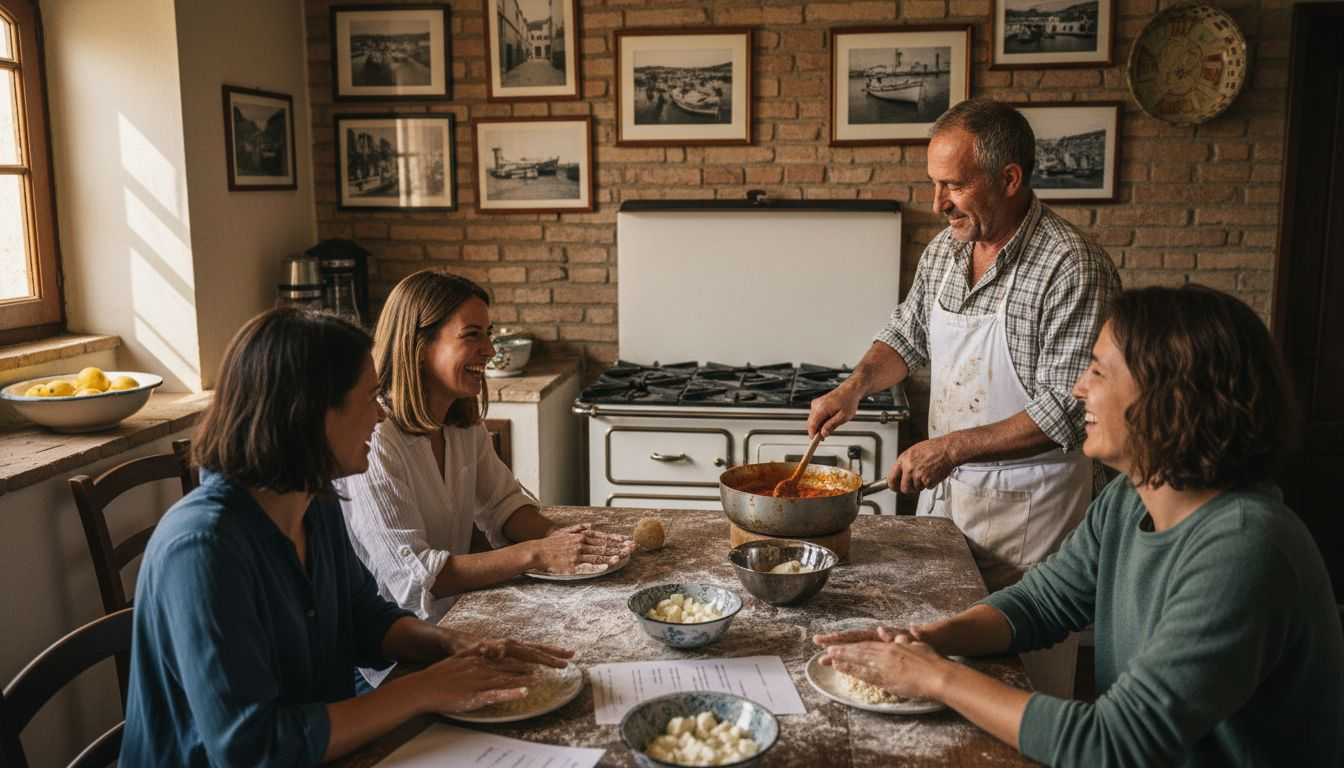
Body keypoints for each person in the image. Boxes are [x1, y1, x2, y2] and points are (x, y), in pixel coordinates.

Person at [816, 285, 1344, 766]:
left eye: (1098, 371)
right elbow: (1041, 603)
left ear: (1172, 397)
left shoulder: (1243, 550)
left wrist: (935, 677)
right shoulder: (1128, 499)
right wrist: (924, 640)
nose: (1077, 389)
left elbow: (1113, 743)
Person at [120, 308, 572, 765]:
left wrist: (450, 644)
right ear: (310, 412)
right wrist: (422, 690)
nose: (380, 415)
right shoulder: (203, 548)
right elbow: (253, 748)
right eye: (371, 397)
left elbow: (363, 618)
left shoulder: (316, 503)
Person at [810, 98, 1120, 594]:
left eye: (954, 185)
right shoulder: (946, 249)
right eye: (935, 183)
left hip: (1030, 514)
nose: (938, 204)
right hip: (949, 500)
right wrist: (854, 388)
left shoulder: (1071, 266)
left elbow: (1067, 410)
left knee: (1018, 644)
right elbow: (907, 336)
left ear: (1009, 179)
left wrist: (949, 449)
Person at [336, 270, 633, 672]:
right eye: (472, 335)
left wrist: (558, 538)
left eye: (488, 334)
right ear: (419, 346)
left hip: (457, 623)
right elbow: (415, 575)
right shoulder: (376, 438)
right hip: (396, 660)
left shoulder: (462, 422)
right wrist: (536, 553)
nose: (490, 349)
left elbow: (503, 505)